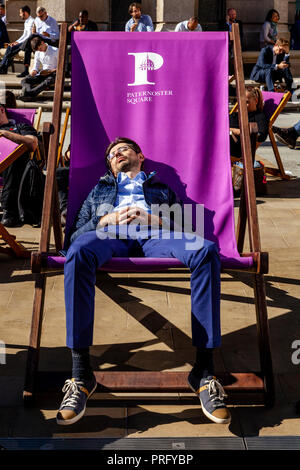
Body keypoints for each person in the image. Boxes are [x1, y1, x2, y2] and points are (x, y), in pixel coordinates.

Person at [55, 136, 231, 426]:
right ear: (110, 168)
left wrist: (156, 220)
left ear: (140, 156)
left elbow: (187, 229)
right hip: (110, 236)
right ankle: (81, 373)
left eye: (123, 149)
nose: (117, 154)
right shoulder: (99, 190)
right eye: (112, 154)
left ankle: (203, 371)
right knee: (77, 252)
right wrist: (104, 221)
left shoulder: (160, 187)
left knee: (205, 251)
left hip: (155, 236)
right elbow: (74, 234)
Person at [0, 103, 38, 227]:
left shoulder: (20, 127)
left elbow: (32, 143)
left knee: (14, 157)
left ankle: (9, 211)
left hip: (12, 164)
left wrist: (4, 134)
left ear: (1, 110)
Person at [17, 6, 59, 78]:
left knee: (31, 40)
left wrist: (48, 35)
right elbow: (36, 33)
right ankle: (26, 70)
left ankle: (20, 48)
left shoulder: (52, 21)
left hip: (49, 40)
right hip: (39, 39)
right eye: (38, 16)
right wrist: (34, 32)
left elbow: (57, 36)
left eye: (41, 16)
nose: (40, 18)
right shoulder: (37, 20)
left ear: (45, 13)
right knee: (29, 45)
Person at [230, 87, 268, 158]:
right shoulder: (235, 115)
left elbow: (261, 136)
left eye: (247, 102)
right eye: (241, 102)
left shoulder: (259, 116)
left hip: (236, 149)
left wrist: (234, 131)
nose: (243, 105)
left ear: (256, 101)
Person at [18, 36, 57, 101]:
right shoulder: (37, 52)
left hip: (54, 73)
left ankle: (28, 94)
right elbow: (36, 65)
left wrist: (52, 70)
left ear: (42, 42)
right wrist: (34, 70)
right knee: (24, 80)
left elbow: (62, 66)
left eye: (40, 48)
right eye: (38, 49)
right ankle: (30, 94)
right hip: (43, 73)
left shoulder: (55, 50)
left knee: (48, 80)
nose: (39, 50)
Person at [0, 5, 34, 75]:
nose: (20, 15)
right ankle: (4, 67)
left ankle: (2, 66)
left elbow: (28, 36)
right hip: (22, 42)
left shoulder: (32, 21)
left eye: (21, 13)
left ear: (25, 13)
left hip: (27, 43)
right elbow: (24, 35)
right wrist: (16, 41)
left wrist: (18, 43)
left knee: (11, 48)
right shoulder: (26, 22)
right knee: (10, 46)